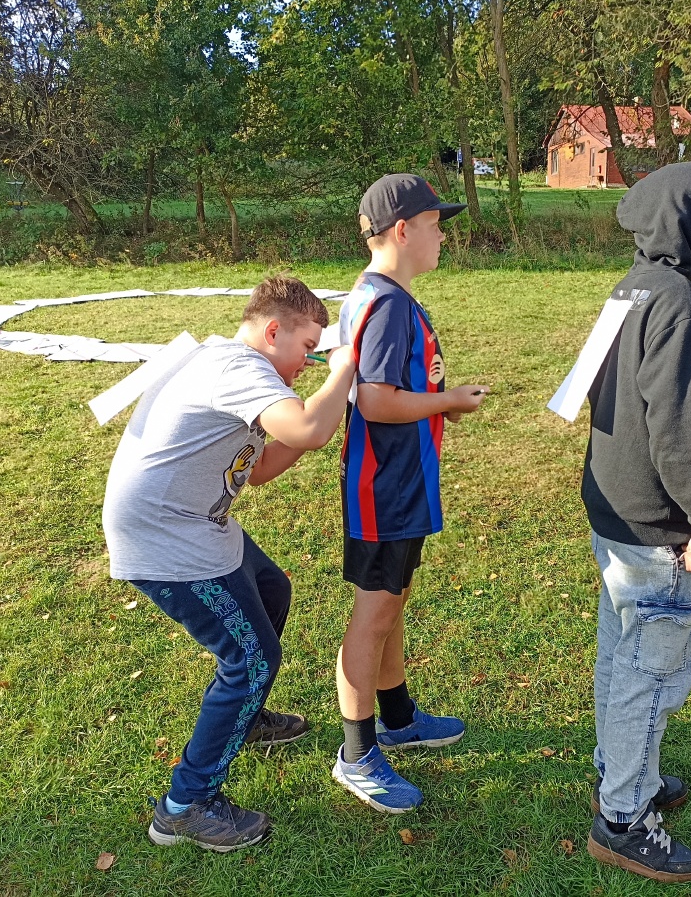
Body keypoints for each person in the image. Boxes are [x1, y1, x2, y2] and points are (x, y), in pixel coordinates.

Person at [101, 276, 357, 852]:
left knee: (272, 590)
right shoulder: (239, 367)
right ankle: (184, 806)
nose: (308, 362)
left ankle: (245, 717)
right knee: (252, 657)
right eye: (307, 347)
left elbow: (258, 469)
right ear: (273, 331)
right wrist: (343, 370)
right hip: (165, 538)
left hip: (197, 524)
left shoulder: (238, 368)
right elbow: (307, 428)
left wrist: (329, 410)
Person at [582, 161, 691, 883]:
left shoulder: (632, 286)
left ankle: (622, 770)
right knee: (650, 672)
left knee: (621, 651)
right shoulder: (679, 300)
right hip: (651, 520)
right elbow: (678, 425)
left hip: (612, 505)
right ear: (686, 217)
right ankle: (622, 818)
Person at [332, 173, 489, 813]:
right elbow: (375, 400)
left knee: (392, 602)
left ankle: (397, 718)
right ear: (402, 230)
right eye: (434, 225)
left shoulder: (375, 293)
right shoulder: (390, 304)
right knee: (373, 615)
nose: (442, 237)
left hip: (395, 481)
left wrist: (440, 401)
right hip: (386, 487)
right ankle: (356, 754)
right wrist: (449, 401)